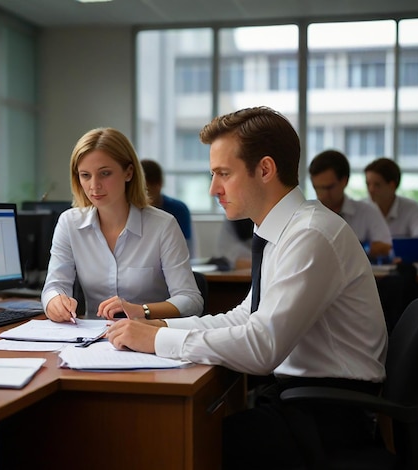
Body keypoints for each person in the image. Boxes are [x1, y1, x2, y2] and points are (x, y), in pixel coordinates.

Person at [105, 107, 388, 469]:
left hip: (332, 415)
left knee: (183, 443)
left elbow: (262, 347)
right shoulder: (281, 229)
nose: (213, 189)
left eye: (223, 173)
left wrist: (155, 341)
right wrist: (157, 327)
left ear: (265, 169)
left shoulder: (310, 236)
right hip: (305, 399)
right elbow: (246, 315)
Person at [41, 127, 203, 323]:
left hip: (149, 339)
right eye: (85, 175)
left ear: (129, 172)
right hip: (93, 341)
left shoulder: (163, 225)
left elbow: (191, 300)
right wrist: (55, 302)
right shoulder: (69, 223)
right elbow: (54, 286)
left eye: (105, 173)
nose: (94, 186)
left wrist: (140, 310)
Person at [309, 149, 393, 260]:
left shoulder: (367, 212)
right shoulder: (309, 215)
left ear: (344, 181)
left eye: (328, 188)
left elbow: (387, 248)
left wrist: (364, 248)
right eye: (317, 188)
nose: (322, 194)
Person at [364, 157, 418, 238]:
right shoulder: (362, 209)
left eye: (377, 185)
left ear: (392, 186)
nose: (371, 190)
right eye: (368, 184)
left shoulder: (412, 209)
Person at [140, 159, 195, 255]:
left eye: (149, 190)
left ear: (160, 184)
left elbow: (186, 244)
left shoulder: (178, 209)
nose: (147, 197)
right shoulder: (131, 210)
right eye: (143, 191)